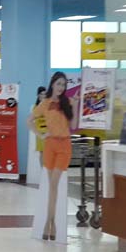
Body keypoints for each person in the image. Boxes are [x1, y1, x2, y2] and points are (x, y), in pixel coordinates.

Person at [28, 72, 79, 241]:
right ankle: (50, 223)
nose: (61, 87)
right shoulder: (45, 103)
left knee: (54, 185)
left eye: (63, 85)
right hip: (50, 146)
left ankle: (50, 224)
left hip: (64, 145)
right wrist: (41, 135)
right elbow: (29, 121)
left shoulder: (68, 102)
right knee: (52, 187)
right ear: (52, 84)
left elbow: (73, 125)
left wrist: (75, 105)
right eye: (58, 84)